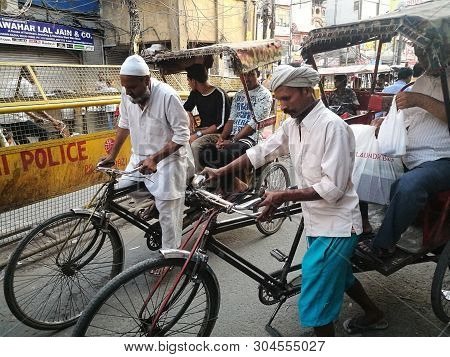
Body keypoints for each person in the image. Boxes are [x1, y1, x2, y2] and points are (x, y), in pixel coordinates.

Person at [202, 65, 386, 337]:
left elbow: (332, 189)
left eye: (286, 99)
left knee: (315, 296)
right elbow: (262, 151)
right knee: (339, 276)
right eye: (279, 99)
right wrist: (219, 171)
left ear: (306, 91)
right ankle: (374, 313)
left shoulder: (332, 128)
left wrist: (282, 195)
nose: (282, 106)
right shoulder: (293, 124)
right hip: (315, 220)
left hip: (336, 226)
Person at [99, 55, 193, 249]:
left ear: (146, 80)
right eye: (125, 87)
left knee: (169, 213)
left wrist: (156, 158)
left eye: (132, 87)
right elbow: (124, 124)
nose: (128, 92)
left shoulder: (167, 96)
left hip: (169, 161)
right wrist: (112, 156)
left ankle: (170, 255)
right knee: (125, 185)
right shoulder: (127, 94)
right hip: (140, 158)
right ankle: (156, 203)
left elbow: (182, 135)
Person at [362, 62, 450, 259]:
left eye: (424, 52)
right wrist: (385, 124)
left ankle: (384, 244)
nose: (421, 58)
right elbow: (408, 117)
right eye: (418, 52)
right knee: (360, 165)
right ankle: (363, 225)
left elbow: (421, 104)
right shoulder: (424, 80)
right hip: (409, 154)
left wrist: (419, 99)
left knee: (410, 184)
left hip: (442, 159)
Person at [201, 68, 272, 192]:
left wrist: (233, 140)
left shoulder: (265, 95)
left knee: (228, 152)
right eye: (244, 75)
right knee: (206, 151)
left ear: (258, 75)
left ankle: (230, 188)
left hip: (250, 137)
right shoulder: (239, 94)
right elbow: (231, 120)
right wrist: (221, 139)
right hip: (233, 137)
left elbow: (252, 124)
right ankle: (233, 185)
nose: (247, 78)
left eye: (251, 74)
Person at [183, 64, 230, 171]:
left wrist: (198, 134)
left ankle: (200, 178)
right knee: (180, 139)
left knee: (194, 145)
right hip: (203, 130)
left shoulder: (219, 94)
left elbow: (220, 124)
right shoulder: (195, 93)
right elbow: (185, 108)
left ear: (194, 81)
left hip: (219, 134)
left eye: (188, 80)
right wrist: (189, 114)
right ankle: (186, 174)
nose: (188, 83)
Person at [0, 67, 49, 144]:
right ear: (29, 75)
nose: (36, 79)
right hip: (15, 120)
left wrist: (35, 117)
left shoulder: (13, 82)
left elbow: (22, 107)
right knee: (43, 133)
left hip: (4, 120)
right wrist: (52, 120)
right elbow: (33, 107)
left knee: (23, 142)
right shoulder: (26, 84)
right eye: (35, 76)